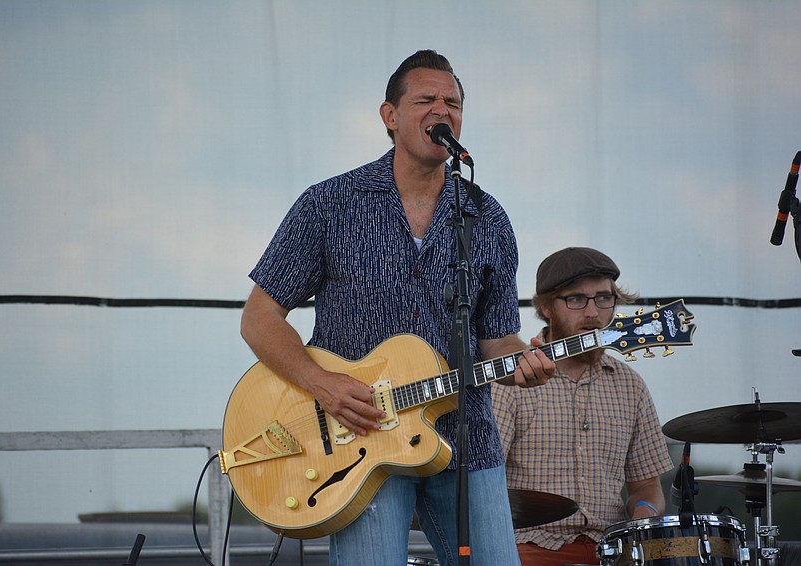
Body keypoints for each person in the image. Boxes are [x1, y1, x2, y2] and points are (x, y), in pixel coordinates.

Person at [240, 49, 554, 566]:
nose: (441, 109)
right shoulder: (330, 204)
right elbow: (259, 317)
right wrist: (324, 385)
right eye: (425, 99)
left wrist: (524, 362)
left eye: (452, 102)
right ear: (390, 117)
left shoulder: (486, 216)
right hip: (360, 444)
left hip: (465, 442)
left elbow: (498, 340)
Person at [491, 247, 674, 566]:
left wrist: (642, 517)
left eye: (604, 298)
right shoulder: (512, 381)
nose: (593, 313)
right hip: (528, 548)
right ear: (546, 307)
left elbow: (646, 486)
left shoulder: (630, 385)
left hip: (611, 551)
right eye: (576, 299)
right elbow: (485, 482)